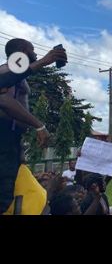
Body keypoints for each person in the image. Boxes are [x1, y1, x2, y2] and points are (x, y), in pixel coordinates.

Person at [0, 39, 67, 214]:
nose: (36, 54)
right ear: (23, 50)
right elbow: (3, 100)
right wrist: (39, 126)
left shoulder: (16, 75)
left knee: (31, 199)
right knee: (7, 200)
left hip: (11, 142)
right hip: (4, 138)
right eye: (33, 50)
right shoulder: (6, 70)